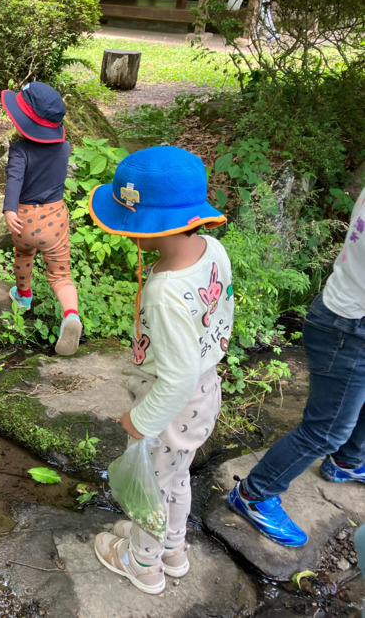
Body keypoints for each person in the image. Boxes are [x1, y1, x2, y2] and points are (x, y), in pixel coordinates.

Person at [87, 146, 234, 595]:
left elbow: (175, 378)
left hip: (170, 402)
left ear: (152, 226)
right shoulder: (213, 250)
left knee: (153, 485)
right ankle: (173, 549)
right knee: (176, 476)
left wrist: (141, 419)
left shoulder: (164, 291)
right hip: (205, 392)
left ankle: (142, 563)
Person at [229, 185, 365, 548]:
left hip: (349, 316)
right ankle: (253, 494)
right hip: (349, 328)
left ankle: (348, 462)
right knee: (325, 431)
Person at [0, 81, 80, 356]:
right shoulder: (65, 148)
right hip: (54, 218)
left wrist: (10, 209)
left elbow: (14, 179)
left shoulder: (19, 149)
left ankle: (23, 297)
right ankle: (71, 314)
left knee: (23, 254)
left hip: (24, 218)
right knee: (60, 274)